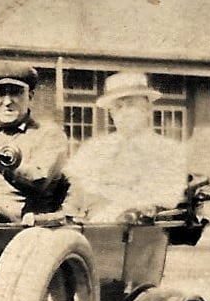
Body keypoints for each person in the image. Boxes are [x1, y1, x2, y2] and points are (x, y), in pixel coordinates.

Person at [62, 70, 188, 222]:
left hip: (143, 233)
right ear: (111, 113)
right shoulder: (94, 149)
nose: (124, 113)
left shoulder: (169, 150)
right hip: (92, 231)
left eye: (130, 105)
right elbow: (75, 191)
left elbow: (169, 198)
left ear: (147, 108)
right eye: (118, 107)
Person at [0, 62, 70, 221]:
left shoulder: (49, 135)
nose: (7, 102)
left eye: (16, 93)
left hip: (25, 225)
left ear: (30, 96)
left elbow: (39, 181)